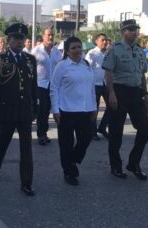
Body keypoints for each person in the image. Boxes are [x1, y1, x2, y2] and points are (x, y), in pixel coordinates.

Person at [0, 23, 38, 196]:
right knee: (2, 141)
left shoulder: (30, 59)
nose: (19, 41)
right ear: (9, 40)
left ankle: (27, 182)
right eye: (15, 38)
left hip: (24, 111)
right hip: (6, 109)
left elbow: (34, 86)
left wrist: (35, 107)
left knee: (26, 148)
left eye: (22, 38)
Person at [102, 19, 148, 180]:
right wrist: (111, 93)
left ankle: (134, 163)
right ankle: (116, 166)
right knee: (116, 133)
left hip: (135, 93)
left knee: (144, 129)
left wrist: (145, 94)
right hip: (119, 92)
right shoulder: (114, 49)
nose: (134, 32)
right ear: (123, 32)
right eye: (130, 30)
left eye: (135, 29)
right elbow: (108, 72)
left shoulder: (139, 51)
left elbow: (142, 74)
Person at [50, 36, 96, 186]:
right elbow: (54, 88)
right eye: (73, 48)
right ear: (67, 51)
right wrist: (55, 109)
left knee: (86, 138)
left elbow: (91, 88)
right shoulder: (62, 66)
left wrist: (94, 107)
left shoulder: (86, 64)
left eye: (79, 47)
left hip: (85, 109)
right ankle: (68, 172)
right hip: (66, 110)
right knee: (66, 144)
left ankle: (72, 160)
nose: (77, 50)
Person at [31, 28, 62, 145]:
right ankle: (41, 134)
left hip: (53, 85)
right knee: (42, 110)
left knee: (49, 109)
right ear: (43, 36)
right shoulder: (36, 51)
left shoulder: (57, 52)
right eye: (48, 35)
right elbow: (31, 69)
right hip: (40, 85)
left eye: (52, 35)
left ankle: (44, 132)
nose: (51, 37)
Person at [85, 33, 110, 140]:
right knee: (94, 108)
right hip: (94, 84)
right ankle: (92, 131)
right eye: (102, 40)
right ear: (97, 41)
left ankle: (102, 127)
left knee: (112, 106)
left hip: (106, 83)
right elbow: (87, 69)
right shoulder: (92, 53)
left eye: (106, 40)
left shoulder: (108, 53)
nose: (105, 42)